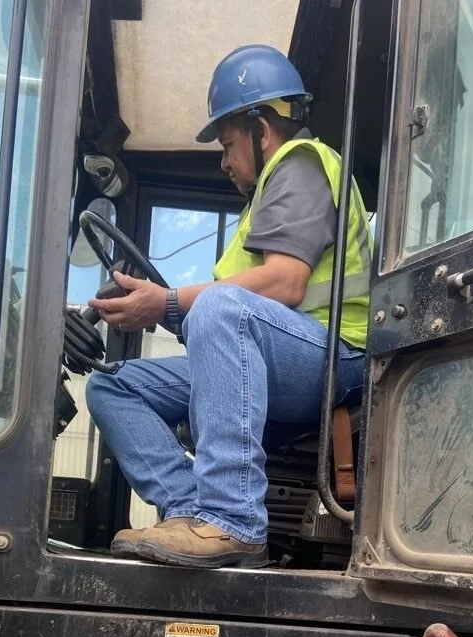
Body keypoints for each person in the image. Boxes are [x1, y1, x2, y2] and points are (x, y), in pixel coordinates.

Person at [87, 44, 372, 570]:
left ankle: (233, 519)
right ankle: (192, 510)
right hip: (278, 351)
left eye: (227, 144)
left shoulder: (301, 165)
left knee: (220, 307)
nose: (223, 162)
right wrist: (165, 307)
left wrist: (166, 303)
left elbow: (285, 282)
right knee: (114, 385)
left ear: (261, 130)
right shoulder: (264, 198)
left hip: (337, 358)